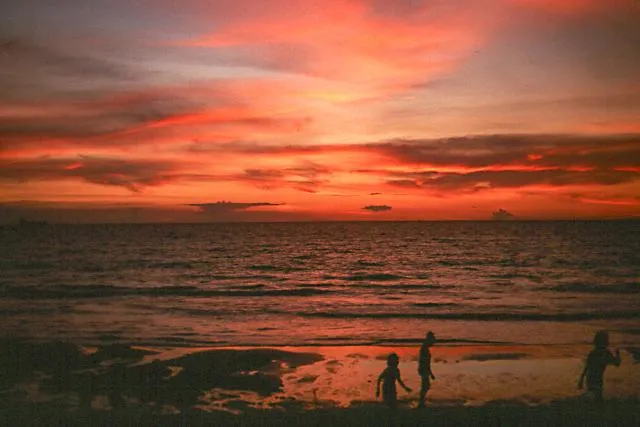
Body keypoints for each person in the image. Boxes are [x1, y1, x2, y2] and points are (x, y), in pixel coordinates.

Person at [578, 330, 621, 402]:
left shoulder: (593, 353)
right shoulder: (606, 353)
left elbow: (586, 367)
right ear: (606, 342)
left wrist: (581, 379)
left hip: (590, 378)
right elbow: (617, 363)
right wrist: (617, 354)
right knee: (597, 396)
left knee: (595, 395)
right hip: (598, 378)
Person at [418, 331, 436, 408]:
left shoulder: (424, 347)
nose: (433, 342)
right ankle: (421, 401)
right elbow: (425, 362)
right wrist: (430, 373)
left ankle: (421, 401)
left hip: (423, 368)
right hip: (423, 369)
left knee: (425, 386)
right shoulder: (424, 348)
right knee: (425, 386)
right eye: (433, 340)